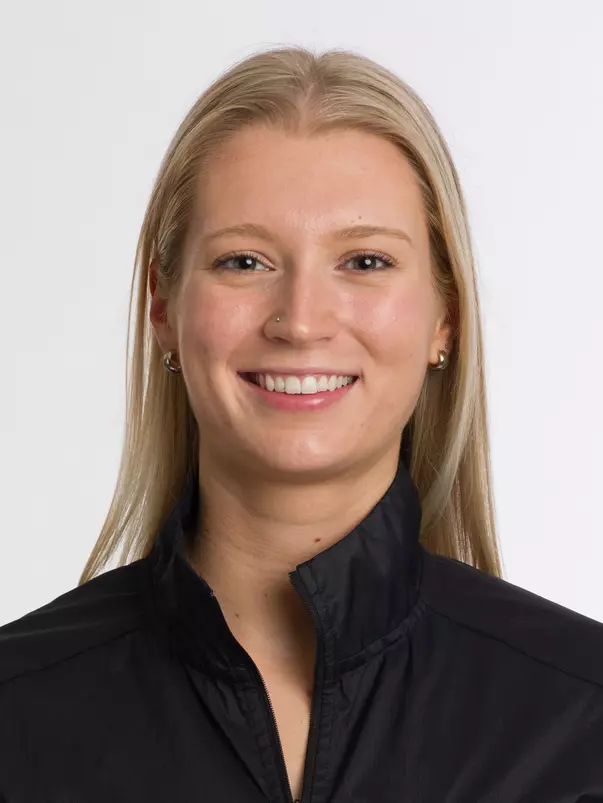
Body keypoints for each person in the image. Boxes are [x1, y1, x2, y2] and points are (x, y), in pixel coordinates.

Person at [1, 44, 602, 803]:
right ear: (163, 308)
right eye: (245, 262)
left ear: (443, 315)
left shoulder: (581, 720)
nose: (301, 321)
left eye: (365, 262)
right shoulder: (18, 716)